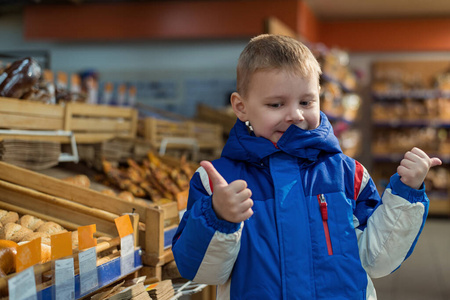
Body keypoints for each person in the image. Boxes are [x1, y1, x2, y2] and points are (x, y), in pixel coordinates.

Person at [172, 34, 442, 299]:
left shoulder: (350, 175)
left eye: (306, 102)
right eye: (276, 104)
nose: (295, 115)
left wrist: (406, 193)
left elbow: (378, 259)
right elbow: (202, 271)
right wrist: (217, 217)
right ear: (241, 107)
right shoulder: (217, 181)